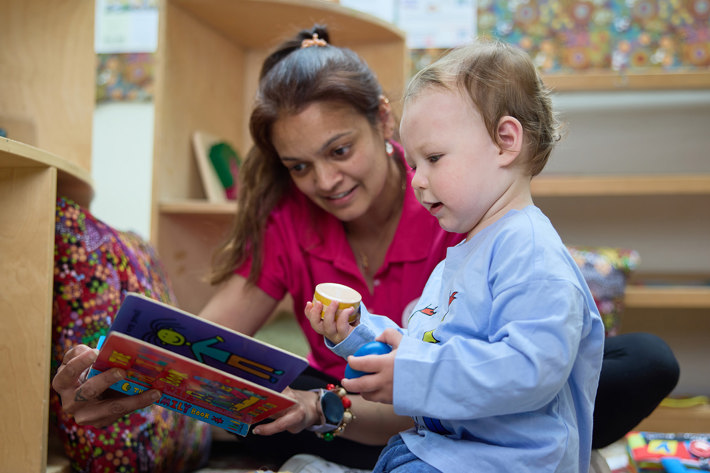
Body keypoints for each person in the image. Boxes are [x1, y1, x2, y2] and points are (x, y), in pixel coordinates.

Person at [51, 25, 678, 470]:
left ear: (382, 121)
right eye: (299, 166)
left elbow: (499, 353)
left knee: (633, 360)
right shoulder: (297, 222)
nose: (325, 181)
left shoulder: (462, 204)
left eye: (340, 150)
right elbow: (207, 340)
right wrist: (125, 369)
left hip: (470, 402)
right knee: (280, 390)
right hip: (375, 404)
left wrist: (417, 375)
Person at [307, 37, 605, 472]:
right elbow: (428, 345)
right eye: (414, 165)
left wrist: (412, 374)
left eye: (434, 158)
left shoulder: (531, 251)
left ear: (505, 142)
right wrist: (357, 330)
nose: (417, 180)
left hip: (510, 463)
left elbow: (530, 370)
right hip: (444, 451)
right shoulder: (462, 256)